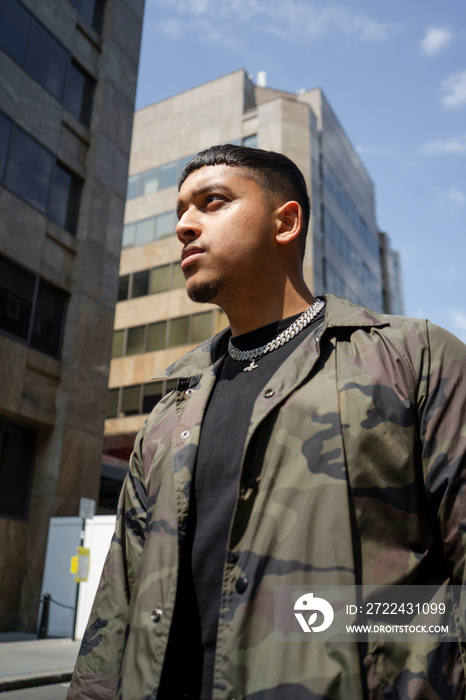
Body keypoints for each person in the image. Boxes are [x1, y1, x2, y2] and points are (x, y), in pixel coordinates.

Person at [68, 145, 466, 700]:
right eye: (180, 211)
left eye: (212, 202)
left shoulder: (414, 359)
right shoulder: (169, 411)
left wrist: (346, 633)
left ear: (286, 222)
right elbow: (119, 601)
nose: (184, 226)